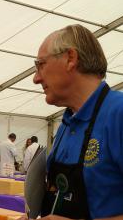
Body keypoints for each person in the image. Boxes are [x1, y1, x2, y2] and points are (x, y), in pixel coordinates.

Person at [33, 24, 123, 219]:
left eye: (40, 65)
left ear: (70, 59)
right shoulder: (67, 123)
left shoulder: (118, 113)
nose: (36, 78)